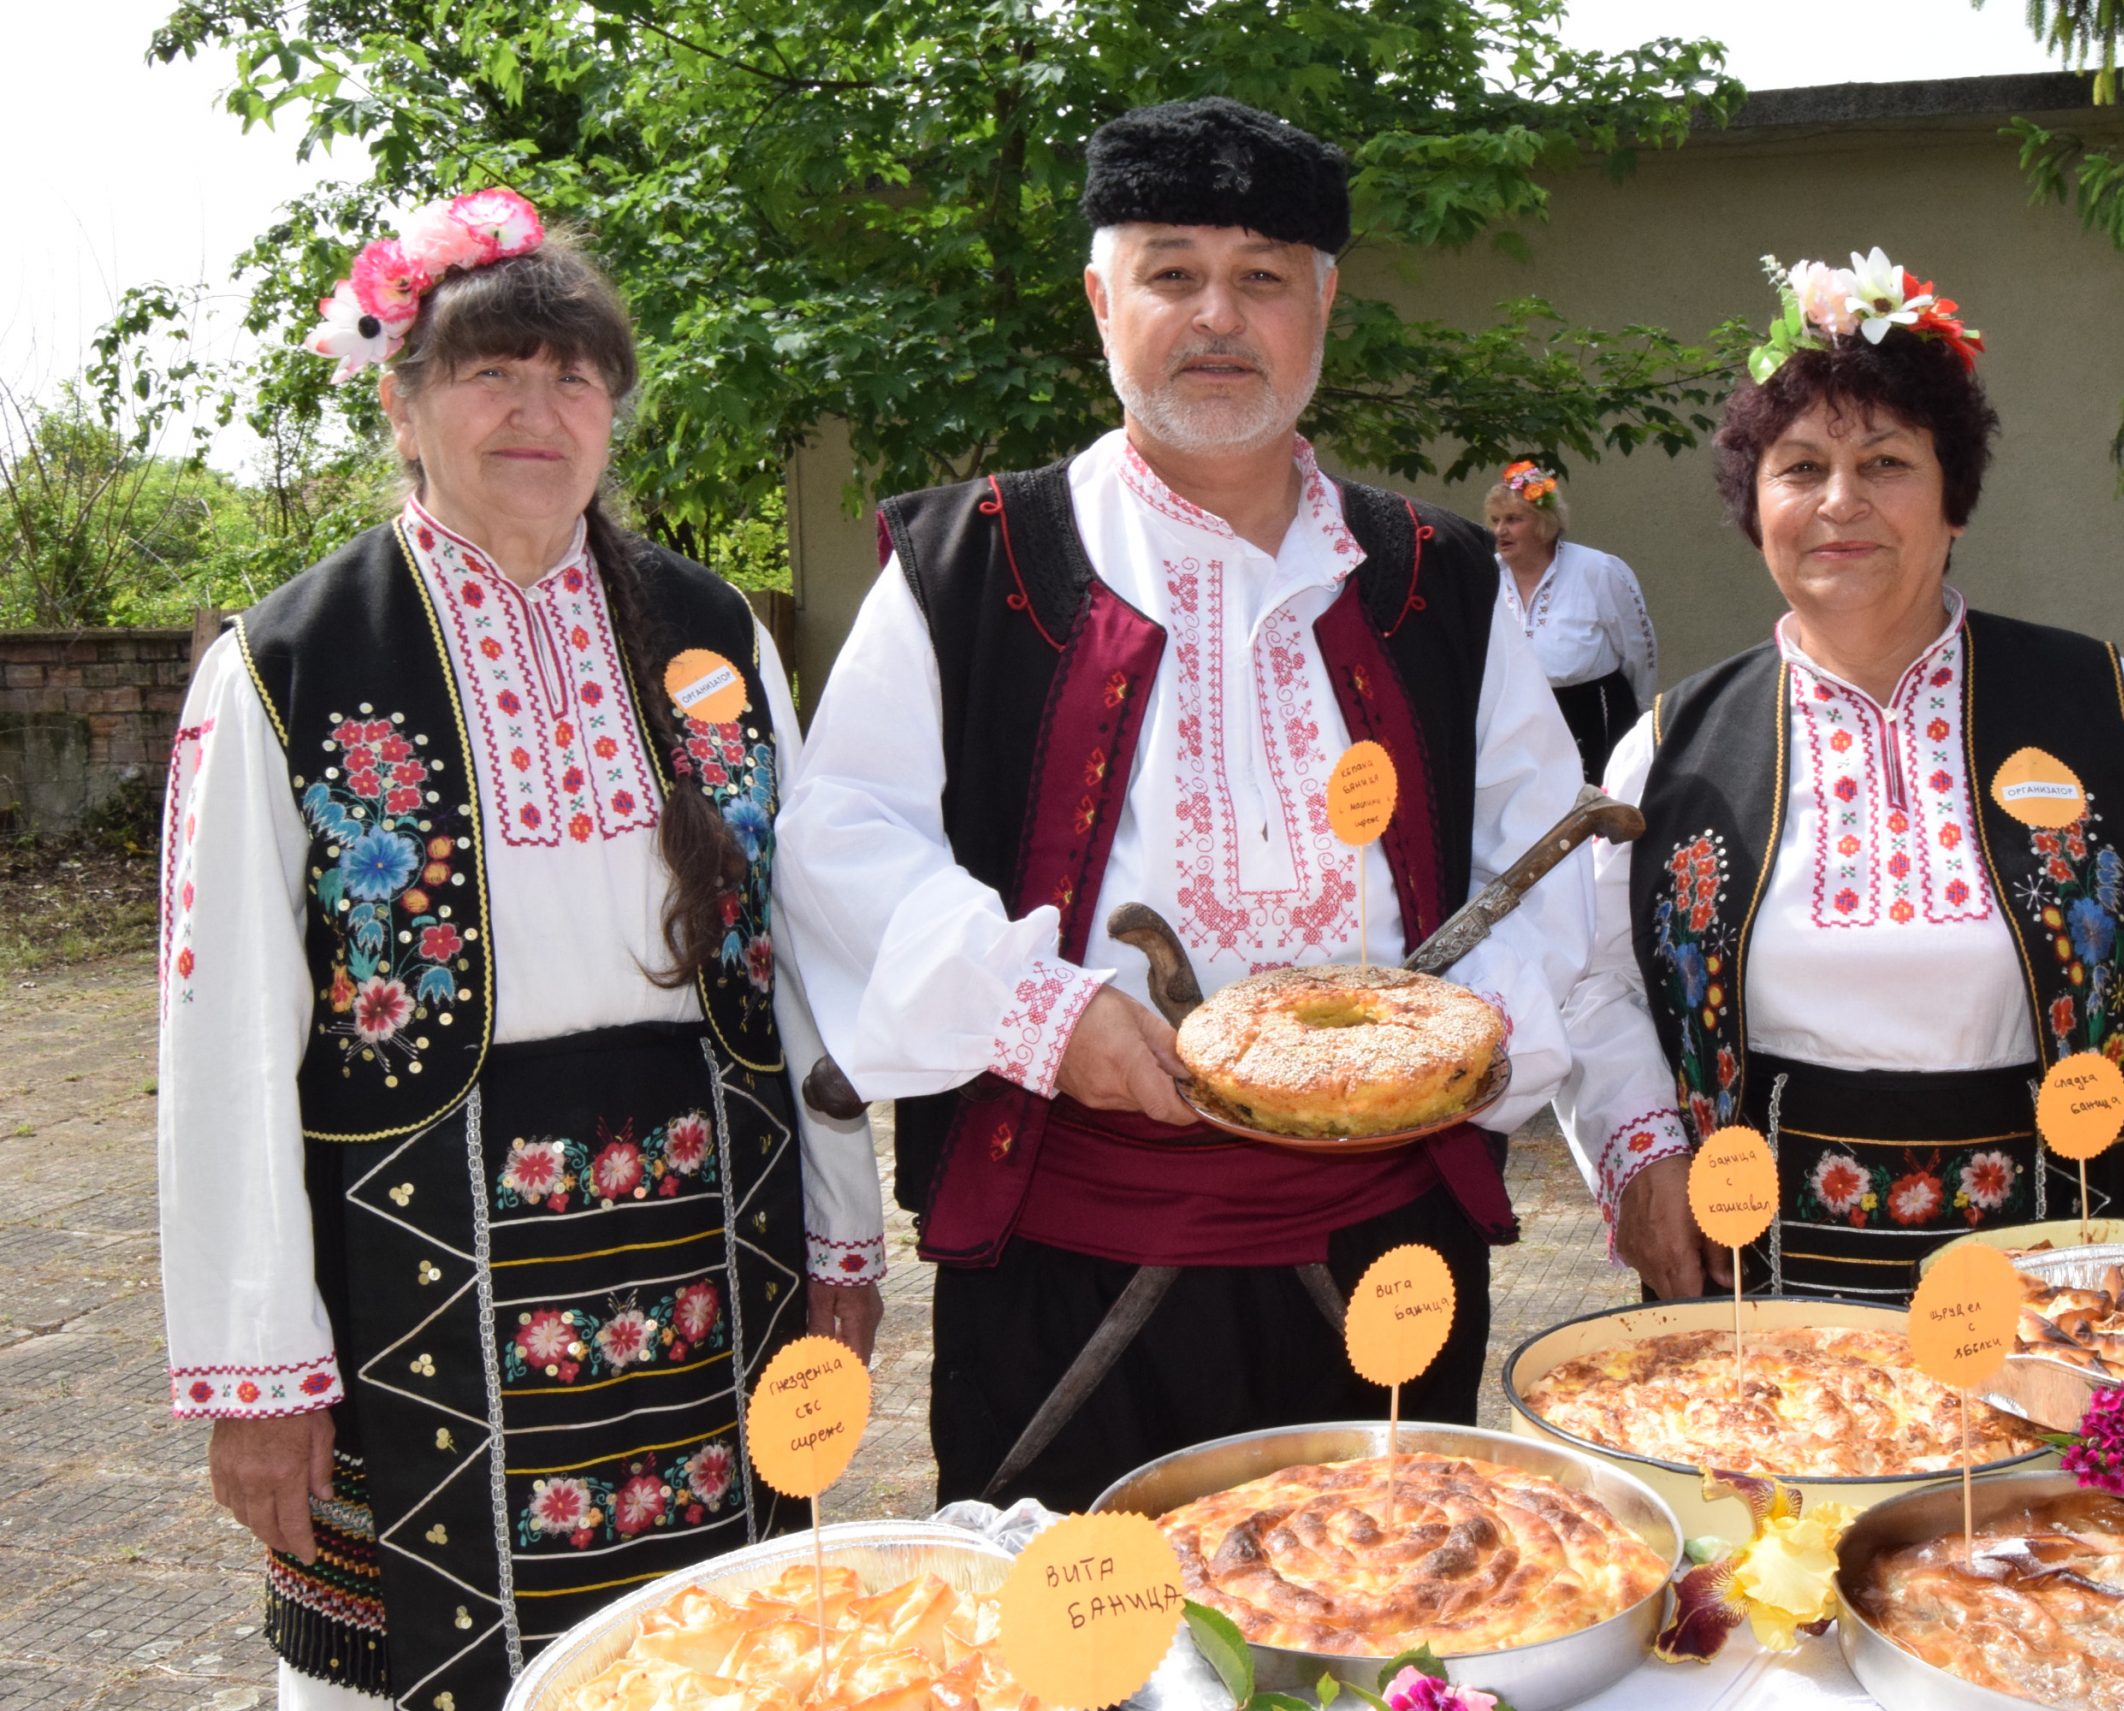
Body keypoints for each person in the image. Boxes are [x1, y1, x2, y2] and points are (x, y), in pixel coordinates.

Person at [776, 97, 1591, 1510]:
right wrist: (1049, 1013)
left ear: (1323, 306)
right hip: (1067, 1260)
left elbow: (1547, 854)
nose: (1219, 313)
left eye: (1264, 275)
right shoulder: (969, 564)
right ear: (1103, 301)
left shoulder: (1438, 577)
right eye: (1171, 271)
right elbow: (845, 841)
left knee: (1398, 1613)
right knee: (1093, 1644)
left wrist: (1461, 1038)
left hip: (1383, 1248)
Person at [156, 192, 882, 1711]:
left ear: (613, 410)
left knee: (720, 1648)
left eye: (573, 374)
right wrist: (254, 1368)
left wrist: (842, 1230)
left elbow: (798, 955)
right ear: (402, 402)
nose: (536, 408)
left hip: (713, 1250)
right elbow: (219, 1039)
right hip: (411, 1261)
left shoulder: (711, 639)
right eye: (489, 370)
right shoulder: (287, 664)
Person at [1558, 248, 2124, 1304]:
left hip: (2070, 1284)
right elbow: (1595, 984)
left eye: (1887, 463)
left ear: (1955, 499)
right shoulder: (1672, 744)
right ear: (1753, 506)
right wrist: (1641, 1155)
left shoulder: (2102, 706)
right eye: (1801, 467)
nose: (1840, 502)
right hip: (1758, 1305)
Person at [1484, 460, 1658, 782]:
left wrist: (1640, 713)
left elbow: (1637, 646)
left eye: (1513, 520)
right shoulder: (1487, 576)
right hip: (1520, 719)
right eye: (1496, 521)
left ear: (1543, 523)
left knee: (1593, 807)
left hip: (1594, 713)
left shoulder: (1597, 570)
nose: (1500, 531)